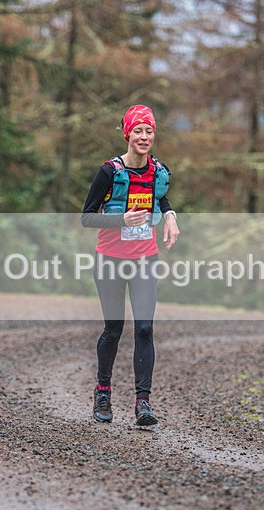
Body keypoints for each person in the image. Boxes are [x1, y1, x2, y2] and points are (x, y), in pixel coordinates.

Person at [81, 104, 180, 426]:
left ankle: (143, 403)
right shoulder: (109, 172)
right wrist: (120, 219)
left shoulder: (158, 171)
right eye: (138, 130)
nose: (144, 136)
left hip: (144, 259)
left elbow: (161, 199)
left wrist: (170, 217)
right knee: (113, 329)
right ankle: (103, 392)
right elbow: (86, 218)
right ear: (127, 133)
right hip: (109, 260)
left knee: (145, 328)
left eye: (149, 131)